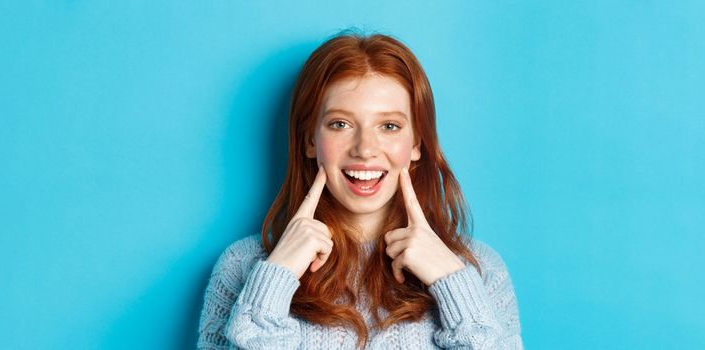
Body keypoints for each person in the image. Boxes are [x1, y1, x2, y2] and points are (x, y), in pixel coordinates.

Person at [197, 31, 522, 349]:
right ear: (311, 140)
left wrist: (453, 283)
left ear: (416, 143)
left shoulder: (481, 269)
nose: (365, 149)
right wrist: (273, 282)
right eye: (340, 124)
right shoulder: (243, 266)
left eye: (389, 126)